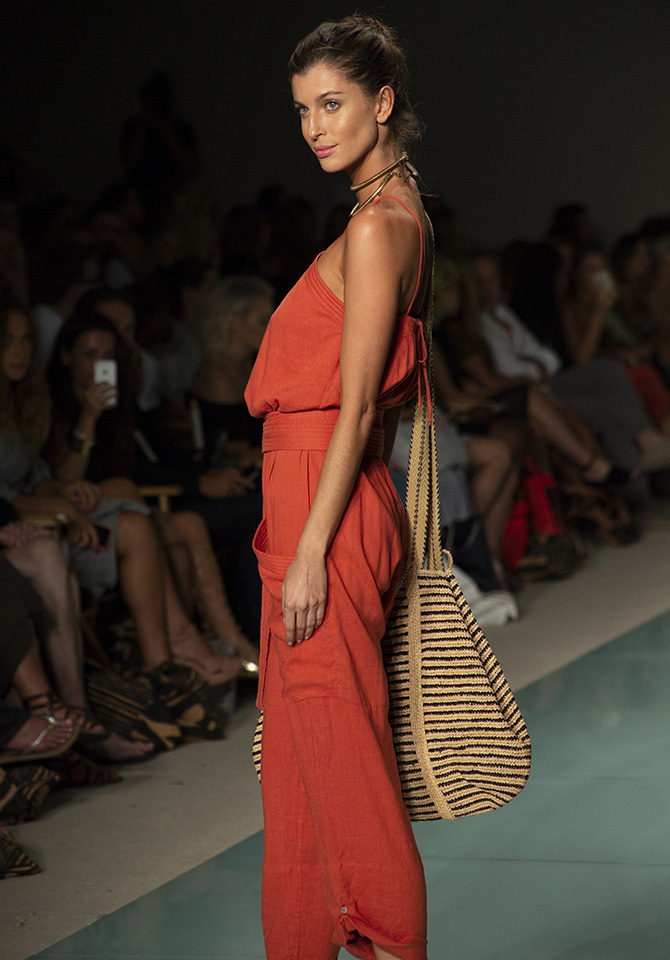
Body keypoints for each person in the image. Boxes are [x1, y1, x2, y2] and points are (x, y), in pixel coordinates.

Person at [245, 16, 429, 960]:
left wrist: (312, 549)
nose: (315, 127)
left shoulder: (374, 228)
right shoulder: (400, 212)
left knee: (344, 769)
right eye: (301, 110)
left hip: (325, 501)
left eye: (332, 103)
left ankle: (387, 942)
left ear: (381, 102)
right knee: (307, 767)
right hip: (325, 494)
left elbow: (358, 409)